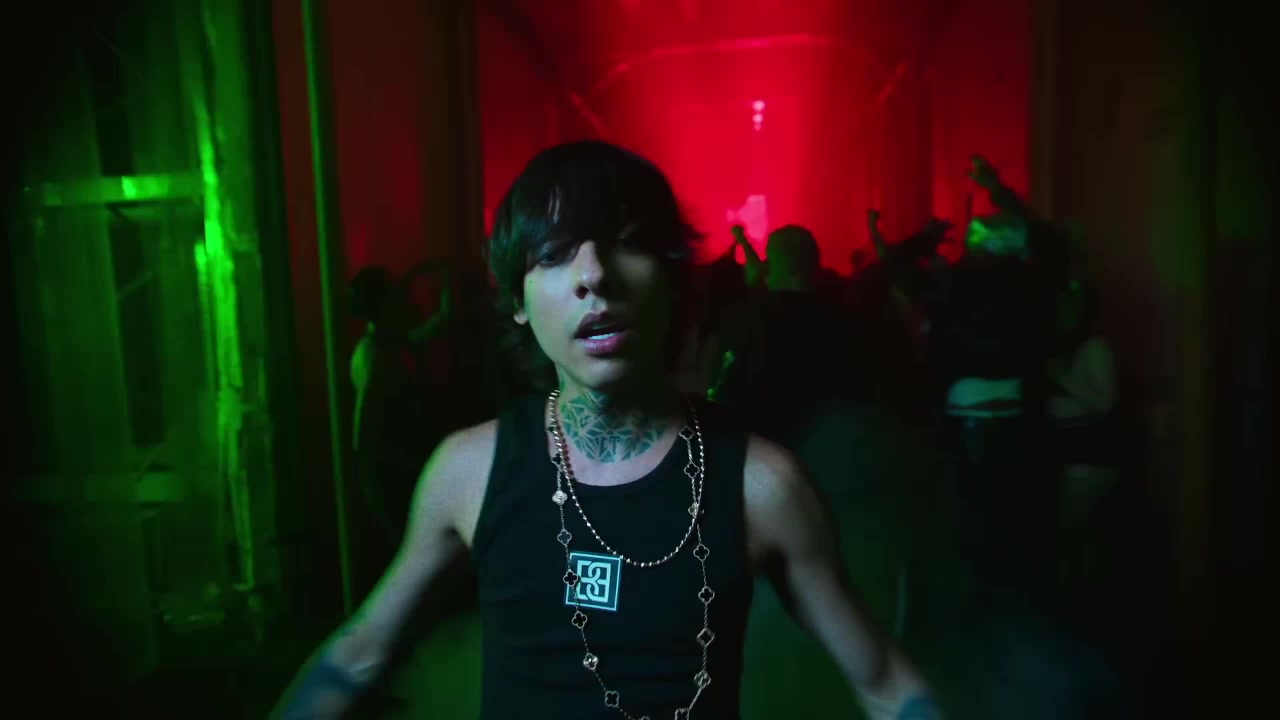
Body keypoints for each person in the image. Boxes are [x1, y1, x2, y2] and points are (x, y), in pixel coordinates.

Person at [273, 140, 941, 720]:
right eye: (554, 253)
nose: (594, 275)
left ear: (673, 281)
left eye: (627, 242)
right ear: (516, 301)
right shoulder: (468, 473)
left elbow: (883, 680)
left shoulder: (760, 484)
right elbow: (358, 656)